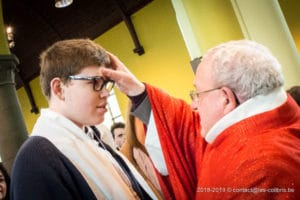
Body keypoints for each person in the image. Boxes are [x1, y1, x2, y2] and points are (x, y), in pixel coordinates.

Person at [100, 40, 300, 199]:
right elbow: (186, 127)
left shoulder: (256, 172)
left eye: (198, 93)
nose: (194, 105)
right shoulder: (273, 120)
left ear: (226, 98)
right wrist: (139, 94)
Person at [10, 39, 157, 199]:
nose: (106, 93)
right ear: (59, 89)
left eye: (106, 83)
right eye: (94, 82)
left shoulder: (96, 140)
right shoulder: (35, 161)